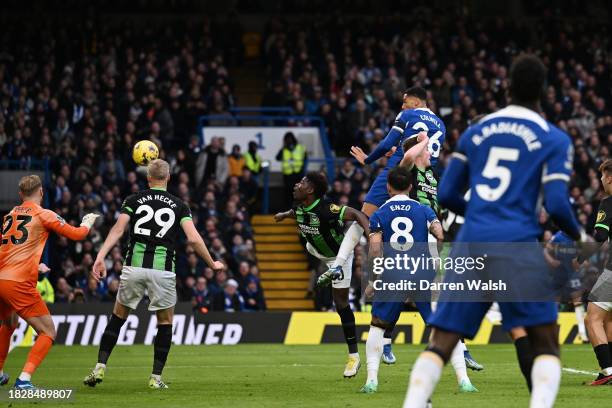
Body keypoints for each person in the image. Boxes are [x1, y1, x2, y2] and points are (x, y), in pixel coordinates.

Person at [403, 55, 581, 408]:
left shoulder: (476, 132)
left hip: (471, 243)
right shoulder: (554, 139)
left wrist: (482, 215)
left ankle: (414, 403)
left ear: (507, 88)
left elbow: (449, 194)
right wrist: (580, 236)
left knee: (442, 340)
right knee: (544, 339)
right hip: (517, 244)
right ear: (543, 91)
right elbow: (559, 205)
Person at [331, 87, 449, 364]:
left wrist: (368, 160)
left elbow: (387, 144)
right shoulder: (441, 124)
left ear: (416, 101)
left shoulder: (407, 114)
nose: (402, 103)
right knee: (425, 234)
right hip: (423, 178)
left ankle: (340, 262)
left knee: (364, 219)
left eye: (406, 100)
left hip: (397, 172)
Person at [83, 159, 224, 389]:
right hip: (162, 270)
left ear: (148, 178)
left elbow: (118, 229)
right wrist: (211, 263)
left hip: (134, 267)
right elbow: (194, 238)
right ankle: (155, 378)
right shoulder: (179, 205)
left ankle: (100, 367)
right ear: (168, 177)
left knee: (117, 318)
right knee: (165, 323)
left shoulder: (134, 200)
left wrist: (100, 256)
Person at [360, 167, 477, 394]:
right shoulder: (423, 210)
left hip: (393, 273)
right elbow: (440, 234)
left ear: (388, 187)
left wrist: (374, 280)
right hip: (422, 272)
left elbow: (375, 250)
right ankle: (464, 381)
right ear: (411, 187)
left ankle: (371, 381)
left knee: (377, 326)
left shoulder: (379, 214)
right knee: (443, 327)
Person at [0, 175, 97, 389]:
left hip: (1, 280)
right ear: (41, 192)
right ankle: (24, 380)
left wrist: (35, 266)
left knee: (9, 324)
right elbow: (77, 235)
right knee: (48, 332)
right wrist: (87, 224)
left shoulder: (10, 215)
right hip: (18, 283)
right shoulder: (43, 214)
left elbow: (10, 252)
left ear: (20, 194)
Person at [274, 172, 370, 378]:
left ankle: (354, 356)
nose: (296, 185)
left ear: (310, 190)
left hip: (339, 258)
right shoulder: (299, 206)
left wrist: (371, 235)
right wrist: (283, 215)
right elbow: (296, 213)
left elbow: (358, 215)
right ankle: (325, 276)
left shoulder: (327, 209)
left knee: (341, 303)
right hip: (315, 249)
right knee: (313, 254)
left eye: (302, 183)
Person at [578, 158, 612, 385]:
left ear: (610, 177)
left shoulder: (608, 202)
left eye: (602, 176)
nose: (601, 180)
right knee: (608, 319)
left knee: (593, 318)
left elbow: (600, 236)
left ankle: (608, 370)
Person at [543, 230, 588, 342]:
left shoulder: (578, 235)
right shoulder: (558, 236)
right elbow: (546, 250)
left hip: (572, 273)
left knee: (577, 301)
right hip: (559, 272)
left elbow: (584, 252)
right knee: (554, 301)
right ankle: (550, 333)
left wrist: (582, 261)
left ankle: (582, 334)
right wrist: (552, 261)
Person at [276, 132, 306, 207]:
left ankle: (299, 210)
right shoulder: (283, 150)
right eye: (287, 140)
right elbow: (277, 158)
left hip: (298, 173)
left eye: (290, 139)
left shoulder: (300, 147)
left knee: (299, 193)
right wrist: (283, 148)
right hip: (288, 175)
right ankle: (288, 209)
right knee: (288, 193)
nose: (289, 141)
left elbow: (305, 157)